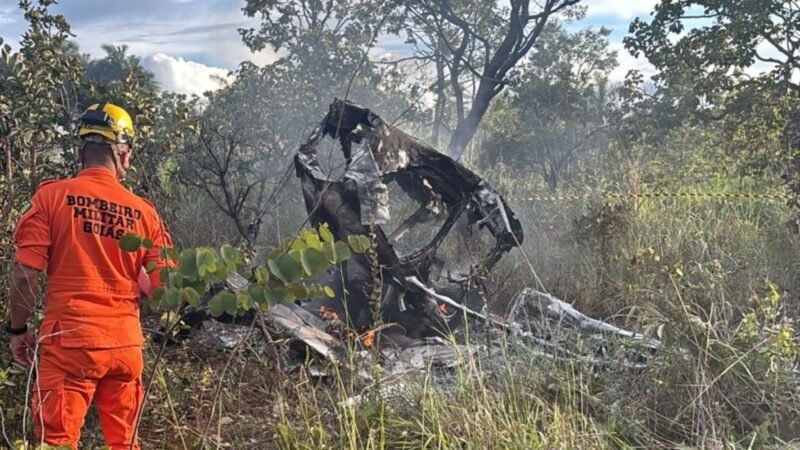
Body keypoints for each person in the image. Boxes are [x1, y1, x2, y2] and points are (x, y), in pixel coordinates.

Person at [6, 102, 172, 449]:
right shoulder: (145, 214)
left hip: (69, 343)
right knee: (124, 443)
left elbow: (25, 276)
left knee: (58, 441)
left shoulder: (51, 197)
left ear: (81, 151)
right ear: (124, 154)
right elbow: (163, 290)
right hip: (125, 347)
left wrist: (18, 330)